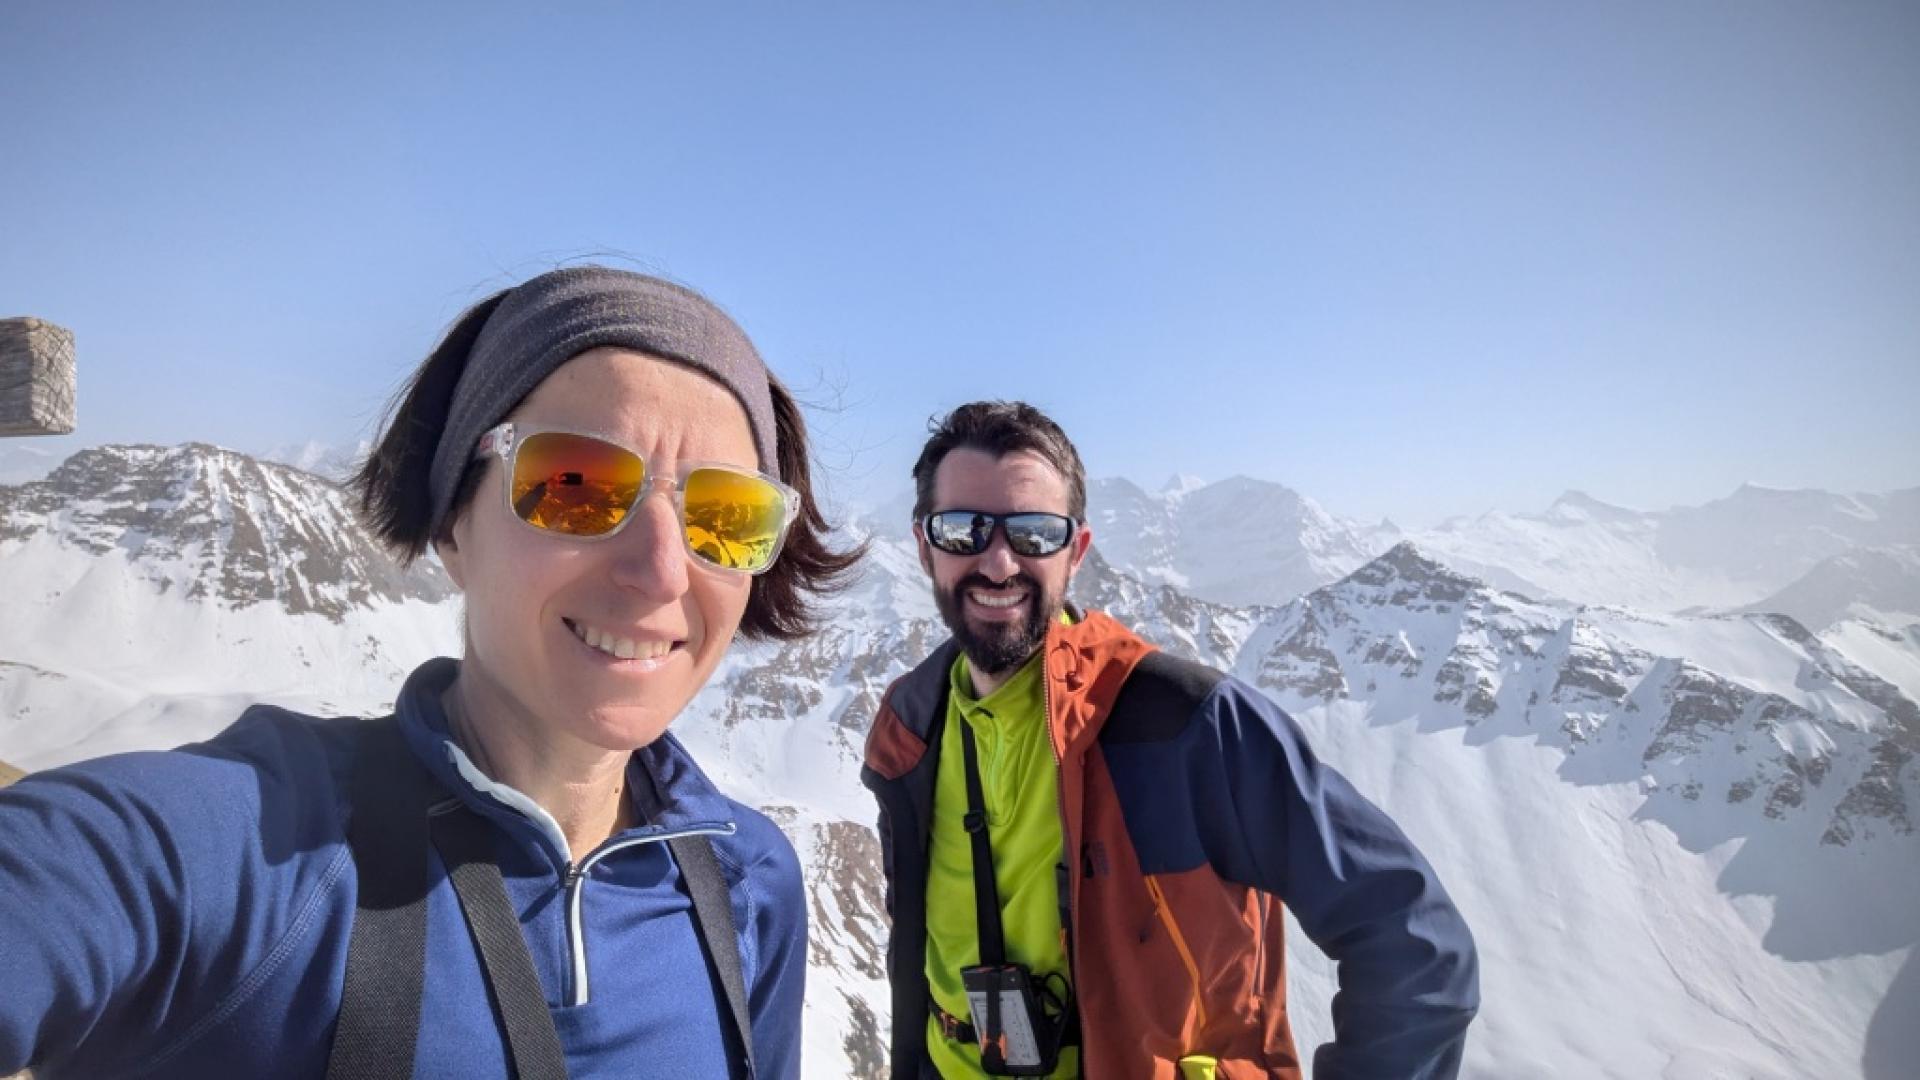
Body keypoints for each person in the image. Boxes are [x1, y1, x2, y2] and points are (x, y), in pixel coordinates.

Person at [0, 266, 861, 1078]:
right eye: (576, 482)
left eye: (728, 514)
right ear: (454, 521)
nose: (663, 570)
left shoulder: (749, 884)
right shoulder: (251, 848)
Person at [862, 401, 1478, 1079]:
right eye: (963, 531)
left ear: (1076, 553)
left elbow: (1416, 943)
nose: (1000, 562)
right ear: (924, 546)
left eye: (1035, 534)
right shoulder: (910, 731)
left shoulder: (1181, 725)